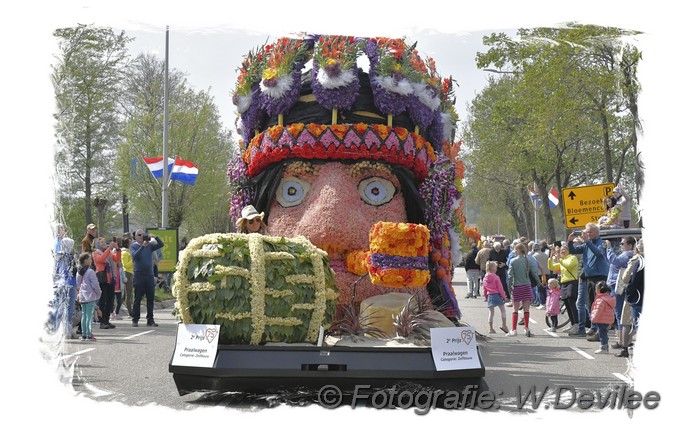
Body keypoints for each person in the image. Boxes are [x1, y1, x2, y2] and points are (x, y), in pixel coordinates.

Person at [567, 222, 609, 337]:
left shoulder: (601, 242)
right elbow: (573, 251)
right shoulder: (587, 244)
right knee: (591, 303)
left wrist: (587, 241)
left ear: (596, 232)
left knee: (599, 303)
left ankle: (600, 329)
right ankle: (593, 326)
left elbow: (598, 253)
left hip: (600, 277)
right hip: (589, 278)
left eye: (590, 232)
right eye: (586, 232)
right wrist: (570, 241)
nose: (588, 234)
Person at [601, 236, 635, 346]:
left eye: (623, 243)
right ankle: (623, 340)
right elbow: (611, 261)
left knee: (620, 313)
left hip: (618, 286)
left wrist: (609, 247)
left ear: (630, 245)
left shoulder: (628, 254)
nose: (620, 245)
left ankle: (623, 341)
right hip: (615, 284)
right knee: (619, 313)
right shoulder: (625, 254)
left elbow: (615, 261)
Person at [616, 238, 644, 358]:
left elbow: (626, 278)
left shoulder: (636, 260)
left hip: (635, 296)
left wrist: (629, 293)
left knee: (627, 321)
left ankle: (625, 347)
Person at [131, 229, 164, 327]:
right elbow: (134, 256)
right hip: (139, 274)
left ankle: (150, 319)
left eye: (143, 234)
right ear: (136, 237)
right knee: (138, 298)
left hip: (149, 274)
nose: (141, 236)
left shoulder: (150, 246)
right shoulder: (134, 246)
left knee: (150, 298)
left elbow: (161, 244)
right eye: (139, 234)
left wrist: (155, 237)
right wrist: (142, 246)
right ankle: (135, 319)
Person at [506, 242, 540, 337]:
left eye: (515, 250)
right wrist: (539, 283)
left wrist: (509, 288)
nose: (514, 251)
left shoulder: (513, 261)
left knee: (515, 309)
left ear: (518, 250)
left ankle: (514, 330)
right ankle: (526, 328)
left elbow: (510, 276)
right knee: (526, 309)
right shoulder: (528, 260)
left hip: (517, 286)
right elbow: (534, 273)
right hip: (527, 286)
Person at [548, 245, 579, 334]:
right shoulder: (562, 261)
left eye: (564, 250)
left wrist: (560, 260)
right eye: (561, 250)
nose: (562, 251)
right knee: (567, 303)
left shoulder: (572, 258)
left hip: (572, 282)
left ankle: (576, 324)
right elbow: (552, 267)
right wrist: (551, 258)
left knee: (571, 303)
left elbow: (569, 266)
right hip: (564, 283)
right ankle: (572, 324)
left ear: (568, 251)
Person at [93, 237, 120, 329]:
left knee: (110, 301)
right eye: (101, 242)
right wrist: (109, 249)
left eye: (104, 242)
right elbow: (101, 259)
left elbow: (116, 258)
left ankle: (107, 319)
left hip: (110, 279)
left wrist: (117, 249)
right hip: (102, 280)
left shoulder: (109, 253)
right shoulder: (95, 253)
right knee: (102, 301)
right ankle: (102, 321)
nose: (104, 243)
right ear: (97, 244)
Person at [76, 253, 101, 341]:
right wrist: (98, 293)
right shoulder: (90, 271)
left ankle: (84, 334)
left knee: (84, 315)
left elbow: (78, 285)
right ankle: (89, 335)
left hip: (82, 296)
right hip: (90, 296)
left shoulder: (79, 272)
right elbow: (95, 285)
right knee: (89, 316)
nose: (91, 260)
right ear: (86, 260)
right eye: (90, 259)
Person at [482, 261, 508, 334]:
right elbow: (500, 288)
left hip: (490, 295)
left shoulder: (485, 278)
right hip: (497, 295)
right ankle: (504, 325)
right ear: (493, 268)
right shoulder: (496, 277)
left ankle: (491, 328)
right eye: (496, 268)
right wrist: (504, 297)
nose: (496, 269)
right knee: (503, 310)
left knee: (491, 312)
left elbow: (484, 289)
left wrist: (486, 297)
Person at [590, 282, 616, 354]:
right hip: (608, 319)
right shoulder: (610, 299)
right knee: (604, 333)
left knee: (602, 334)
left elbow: (598, 311)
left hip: (601, 319)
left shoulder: (600, 300)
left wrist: (593, 319)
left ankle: (604, 347)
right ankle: (605, 346)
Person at [531, 243, 549, 309]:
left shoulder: (533, 256)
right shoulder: (546, 255)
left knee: (540, 289)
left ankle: (542, 303)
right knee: (546, 288)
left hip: (538, 274)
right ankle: (547, 302)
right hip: (546, 273)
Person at [120, 237, 134, 317]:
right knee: (128, 294)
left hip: (130, 272)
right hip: (127, 273)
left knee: (125, 295)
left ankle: (117, 310)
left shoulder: (128, 252)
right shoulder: (125, 253)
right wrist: (133, 260)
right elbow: (125, 265)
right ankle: (130, 312)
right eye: (130, 242)